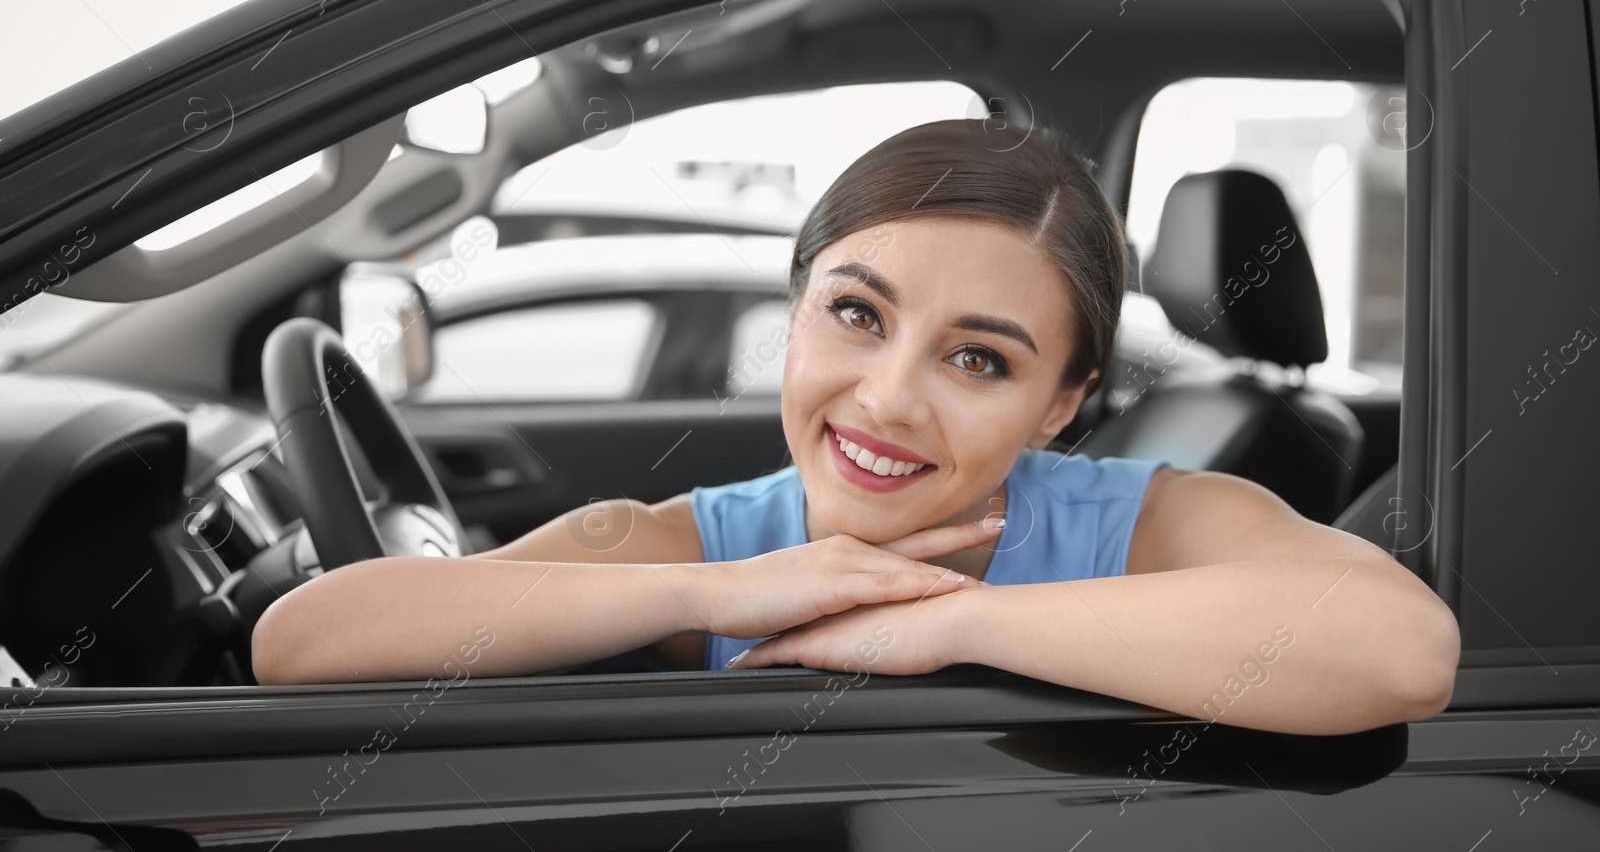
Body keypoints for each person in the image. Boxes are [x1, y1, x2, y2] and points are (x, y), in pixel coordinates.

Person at [251, 119, 1459, 735]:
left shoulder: (1153, 519)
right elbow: (305, 642)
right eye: (854, 314)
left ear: (1061, 404)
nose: (887, 395)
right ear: (795, 311)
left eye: (977, 357)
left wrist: (953, 622)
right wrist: (711, 596)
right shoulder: (701, 547)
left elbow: (1403, 653)